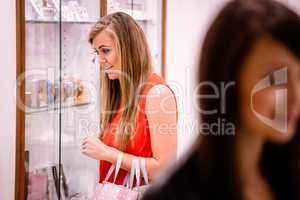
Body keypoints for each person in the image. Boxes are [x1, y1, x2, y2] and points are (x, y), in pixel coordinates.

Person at [143, 0, 300, 199]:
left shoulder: (287, 176)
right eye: (276, 79)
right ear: (227, 82)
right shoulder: (174, 194)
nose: (296, 97)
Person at [81, 12, 178, 186]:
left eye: (106, 51)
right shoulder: (119, 91)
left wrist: (107, 153)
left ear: (128, 48)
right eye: (97, 52)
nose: (100, 60)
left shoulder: (157, 94)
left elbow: (165, 168)